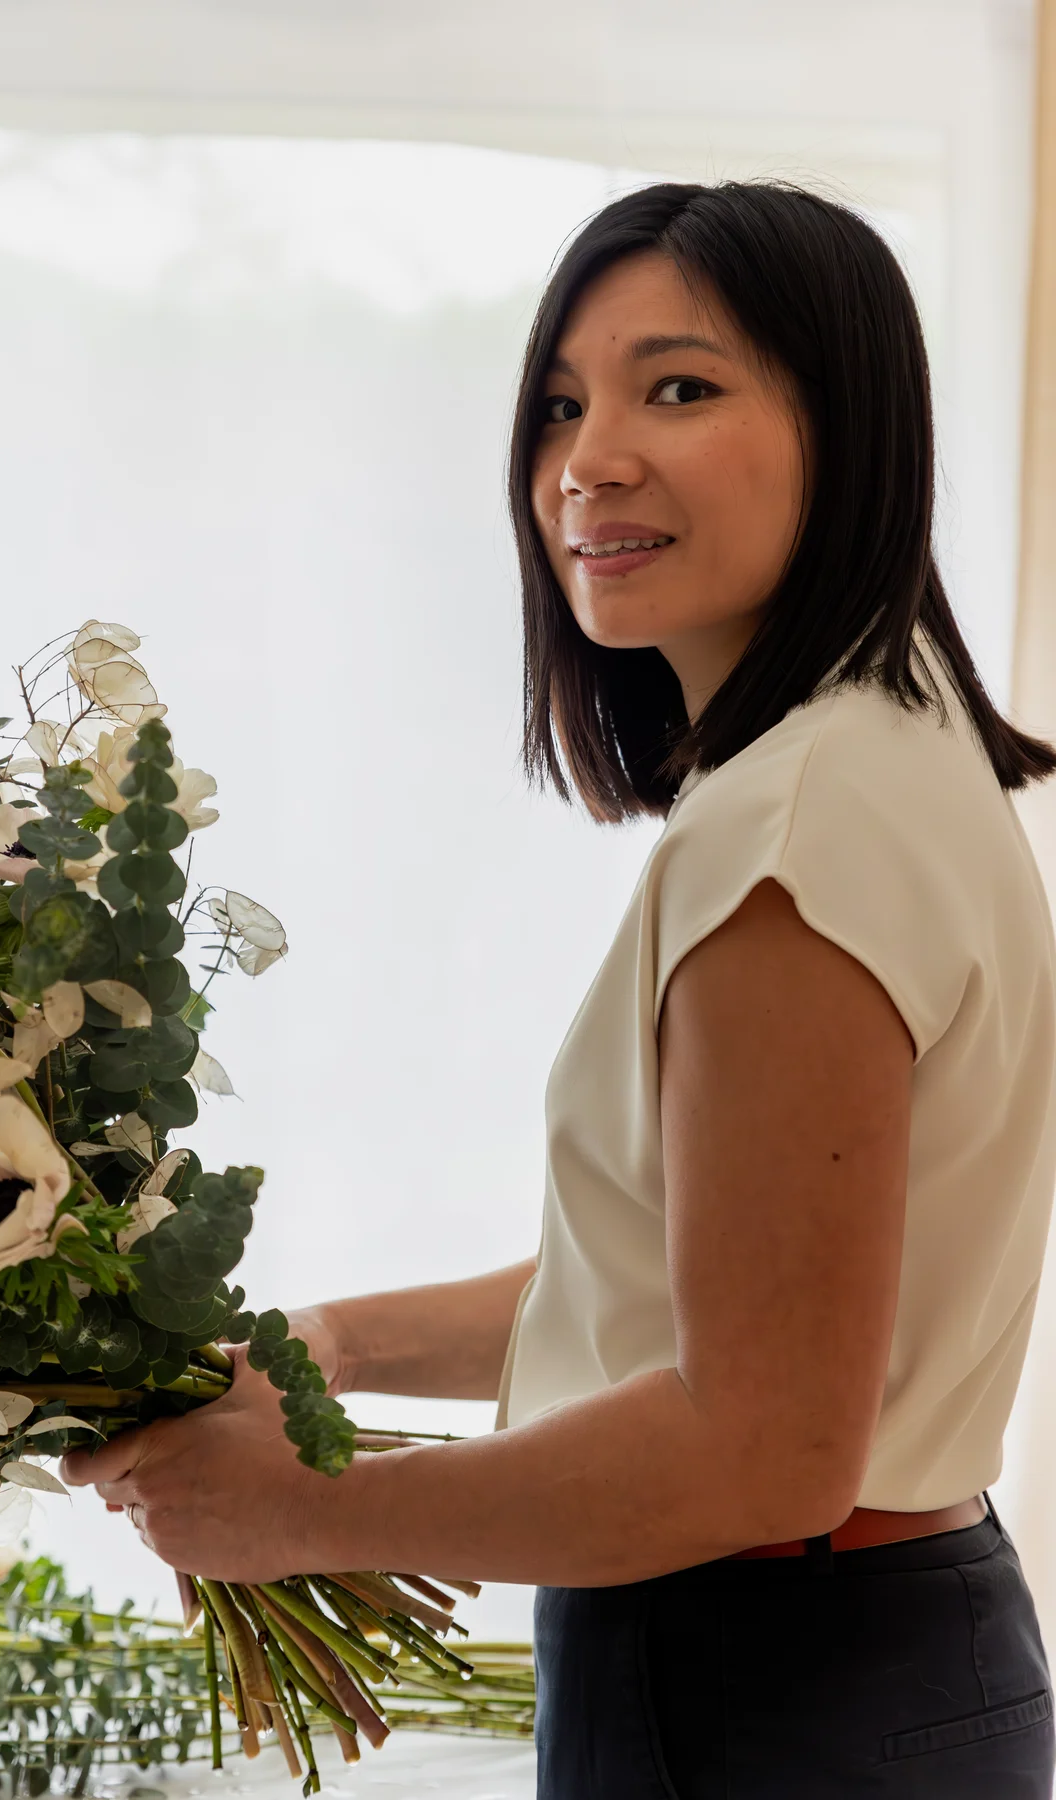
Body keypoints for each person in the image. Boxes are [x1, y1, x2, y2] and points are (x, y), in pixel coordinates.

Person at [64, 182, 1056, 1796]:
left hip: (756, 1682)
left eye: (681, 387)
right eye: (559, 406)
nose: (589, 460)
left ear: (851, 428)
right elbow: (701, 1294)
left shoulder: (795, 829)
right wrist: (325, 1347)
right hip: (875, 1651)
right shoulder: (885, 752)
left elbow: (762, 1446)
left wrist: (302, 1512)